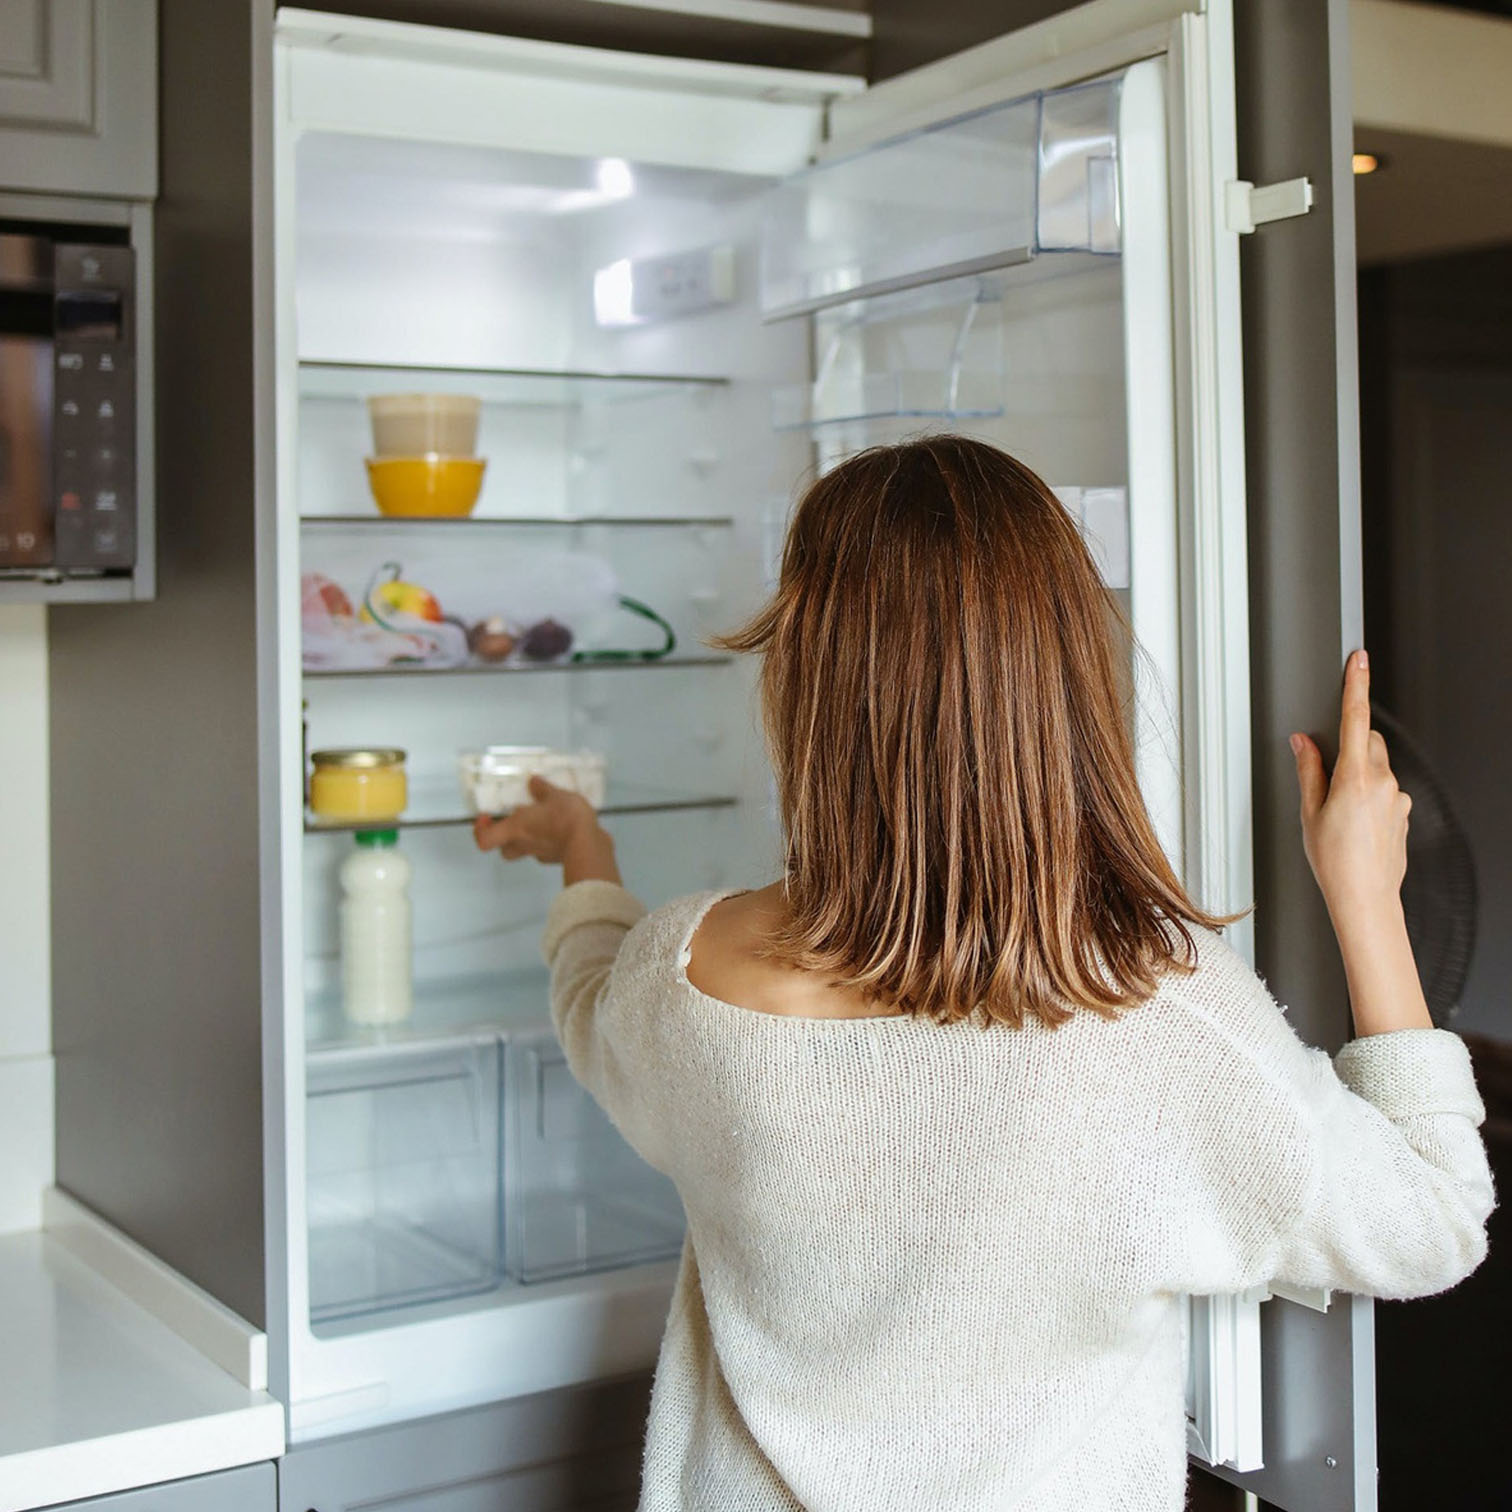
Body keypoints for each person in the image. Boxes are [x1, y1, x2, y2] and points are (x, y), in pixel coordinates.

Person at [474, 436, 1492, 1512]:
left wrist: (580, 846)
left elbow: (592, 995)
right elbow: (1434, 1218)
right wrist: (1365, 893)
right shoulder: (1160, 1012)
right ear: (1064, 680)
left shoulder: (687, 977)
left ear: (805, 688)